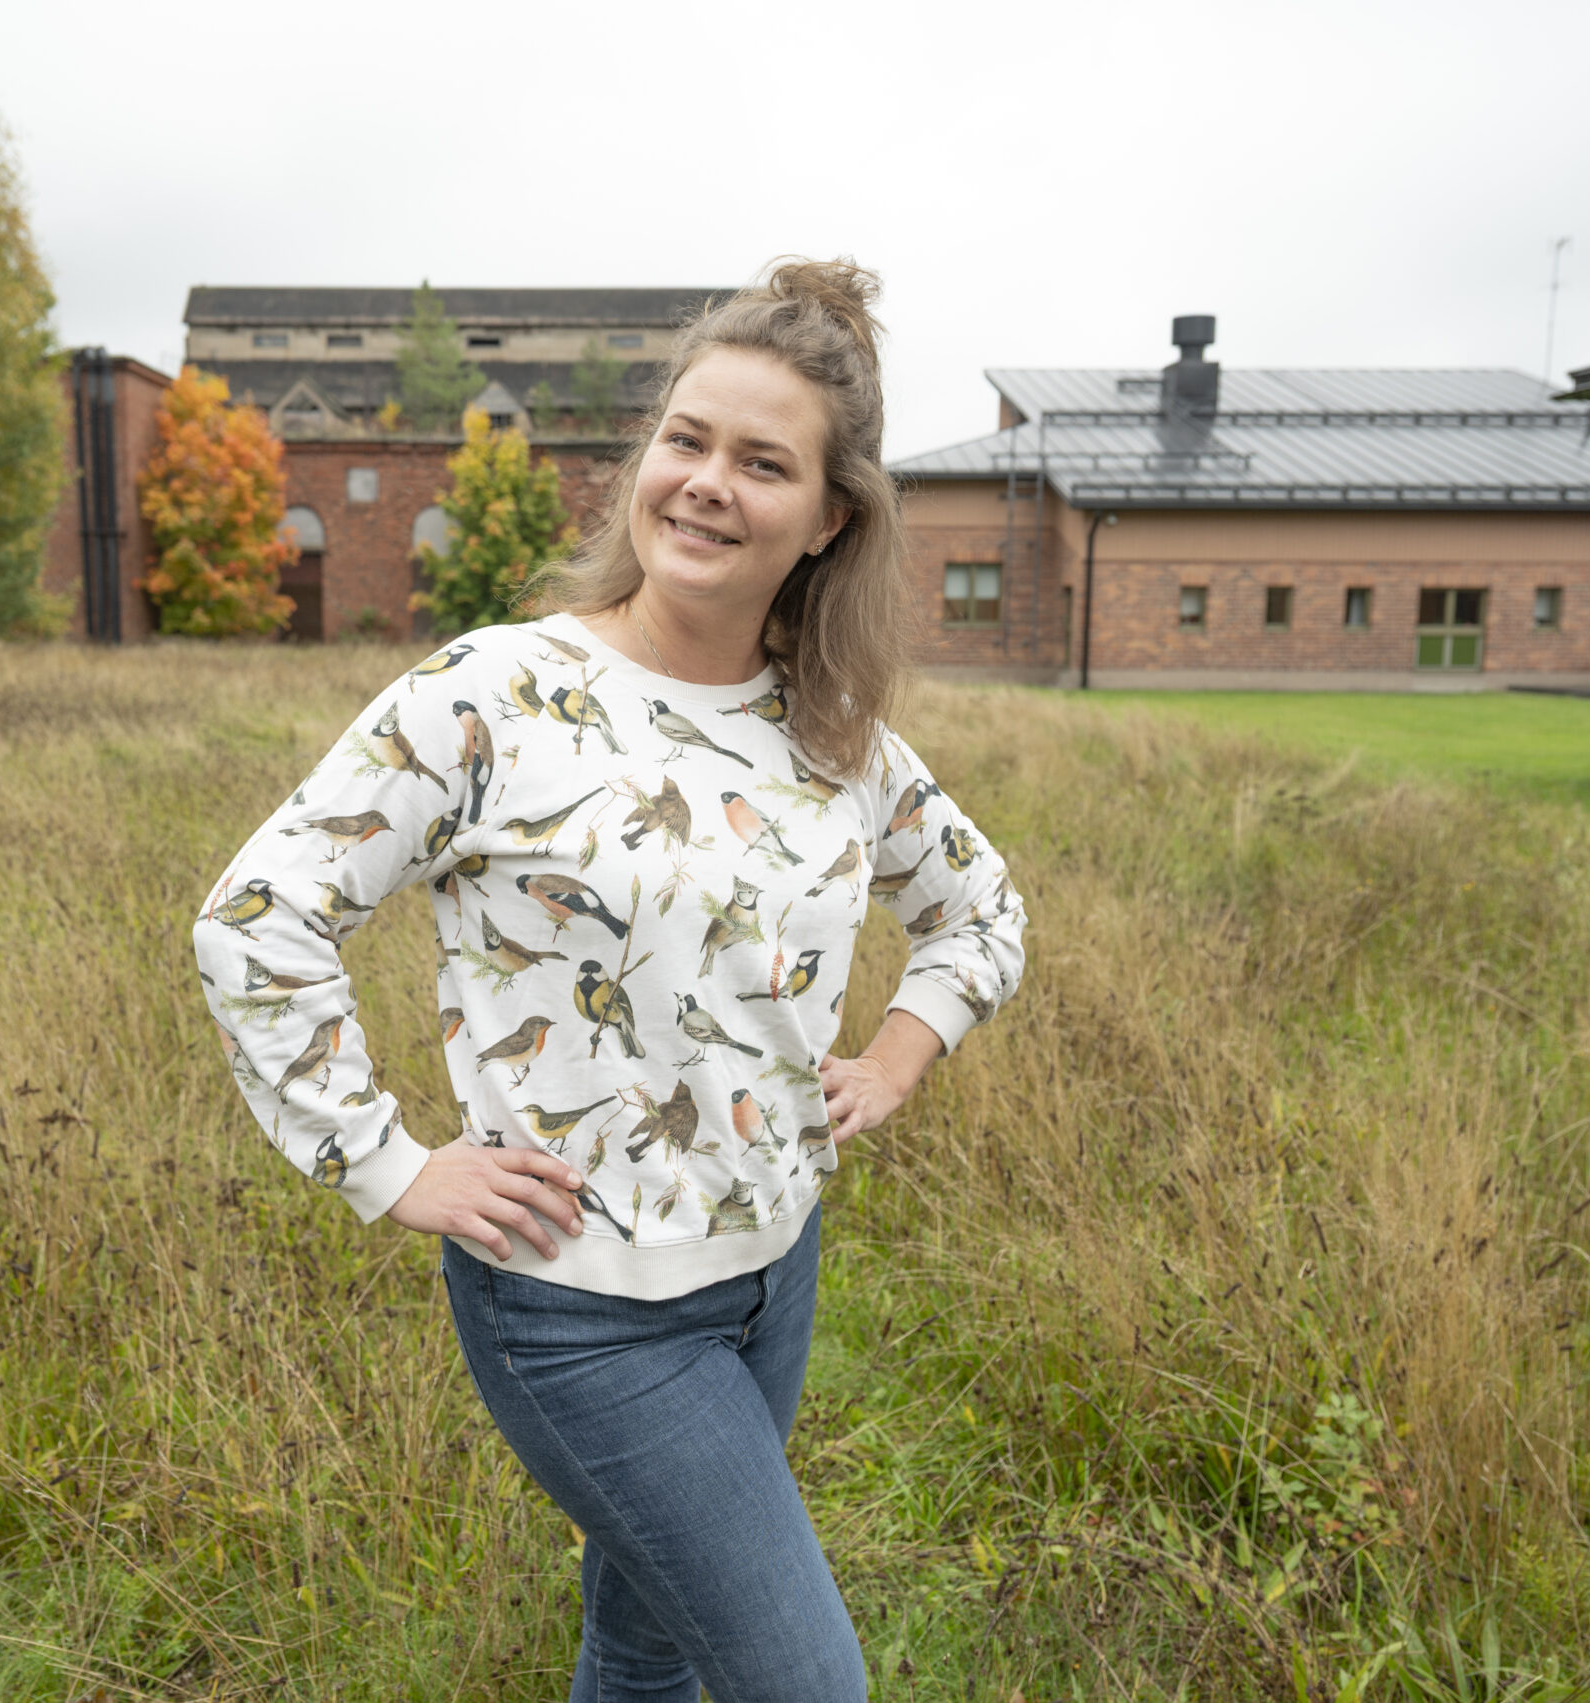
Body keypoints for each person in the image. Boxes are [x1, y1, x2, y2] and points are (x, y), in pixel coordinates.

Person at [193, 258, 1027, 1703]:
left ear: (830, 519)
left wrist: (897, 1056)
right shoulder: (494, 696)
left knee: (644, 1639)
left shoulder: (831, 733)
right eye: (687, 442)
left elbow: (981, 910)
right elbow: (257, 918)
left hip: (773, 1274)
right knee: (808, 1684)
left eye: (762, 463)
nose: (707, 484)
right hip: (580, 1303)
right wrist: (389, 1167)